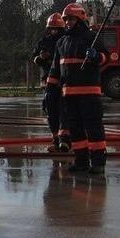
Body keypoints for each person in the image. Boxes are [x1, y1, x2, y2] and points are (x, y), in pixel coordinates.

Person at [47, 3, 108, 174]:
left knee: (93, 128)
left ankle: (97, 162)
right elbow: (55, 69)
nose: (67, 23)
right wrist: (50, 90)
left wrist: (96, 56)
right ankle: (81, 161)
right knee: (75, 130)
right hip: (69, 95)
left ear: (80, 20)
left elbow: (107, 58)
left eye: (71, 19)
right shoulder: (61, 42)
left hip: (89, 94)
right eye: (66, 20)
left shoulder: (91, 38)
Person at [33, 13, 70, 152]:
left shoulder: (66, 40)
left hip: (64, 81)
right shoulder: (44, 41)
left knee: (64, 110)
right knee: (50, 110)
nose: (53, 31)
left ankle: (65, 141)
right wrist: (40, 58)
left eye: (56, 28)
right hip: (48, 80)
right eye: (51, 28)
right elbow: (34, 56)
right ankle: (55, 140)